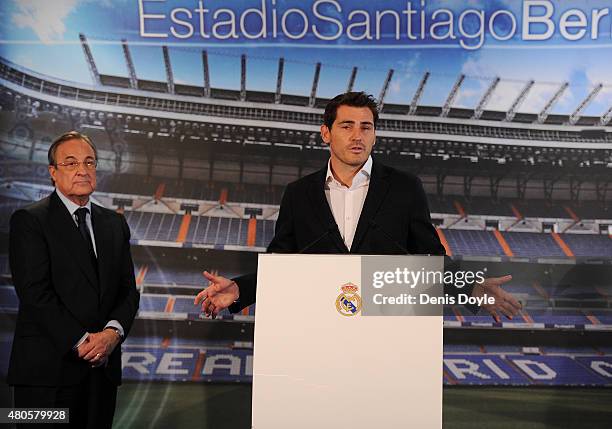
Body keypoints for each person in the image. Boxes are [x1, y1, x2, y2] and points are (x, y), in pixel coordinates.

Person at [195, 92, 521, 322]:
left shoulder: (405, 188)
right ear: (326, 133)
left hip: (388, 327)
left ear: (375, 135)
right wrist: (240, 289)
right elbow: (282, 263)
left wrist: (472, 289)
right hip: (319, 325)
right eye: (346, 125)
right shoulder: (299, 193)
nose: (357, 135)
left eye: (366, 127)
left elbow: (430, 258)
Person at [8, 131, 140, 428]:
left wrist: (111, 335)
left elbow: (128, 291)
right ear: (52, 172)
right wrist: (82, 342)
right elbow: (35, 293)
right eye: (70, 163)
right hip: (45, 378)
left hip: (101, 375)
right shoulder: (30, 220)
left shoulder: (115, 223)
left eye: (89, 162)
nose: (83, 169)